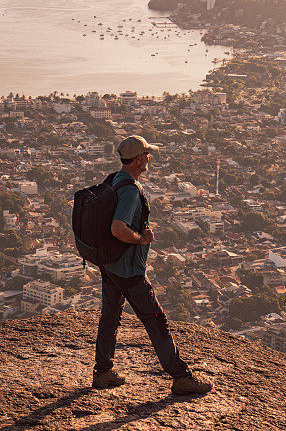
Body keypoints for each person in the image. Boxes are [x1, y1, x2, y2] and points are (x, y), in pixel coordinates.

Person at [92, 135, 213, 396]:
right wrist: (141, 238)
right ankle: (181, 377)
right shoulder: (130, 191)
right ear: (138, 159)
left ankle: (103, 371)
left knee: (110, 316)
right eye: (147, 154)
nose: (150, 158)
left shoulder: (114, 178)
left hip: (110, 264)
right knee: (156, 321)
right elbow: (117, 228)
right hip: (128, 270)